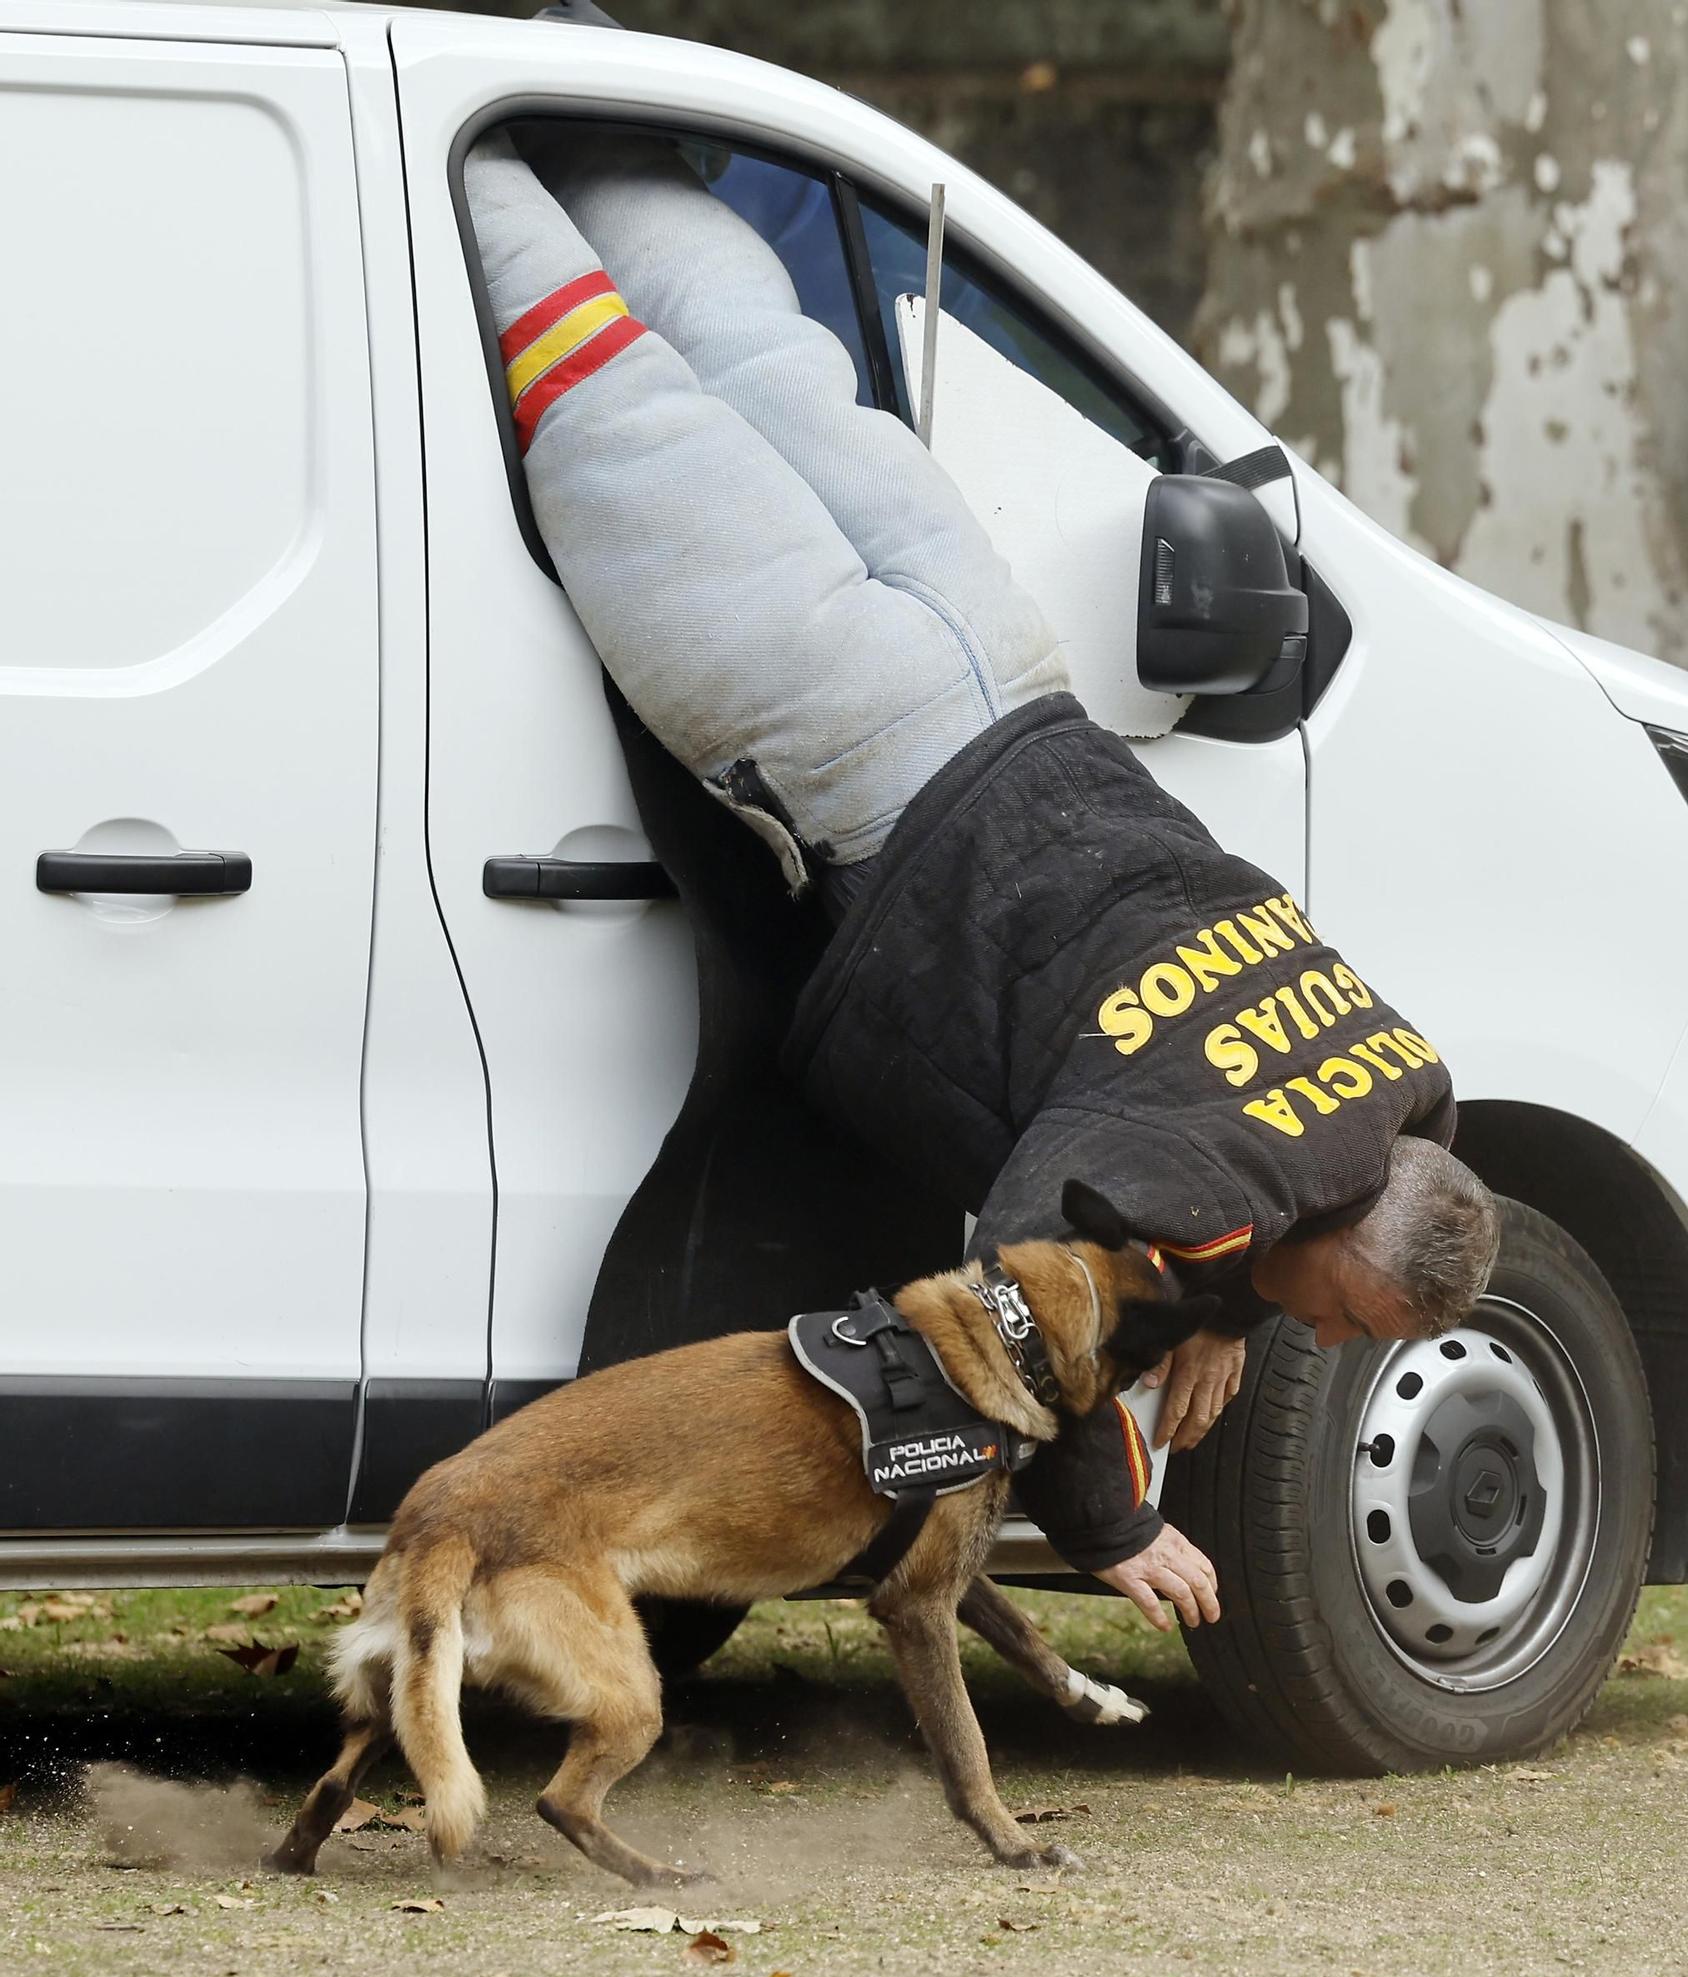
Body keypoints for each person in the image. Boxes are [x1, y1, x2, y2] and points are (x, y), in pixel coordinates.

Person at [463, 129, 1502, 1636]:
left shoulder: (1394, 1082)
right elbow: (1024, 1298)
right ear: (1347, 1228)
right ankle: (428, 134)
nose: (1328, 1342)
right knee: (608, 404)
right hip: (845, 730)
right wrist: (1112, 1526)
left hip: (995, 663)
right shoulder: (1195, 1178)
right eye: (1344, 1314)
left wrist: (1226, 1297)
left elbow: (1353, 1147)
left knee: (765, 364)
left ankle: (566, 101)